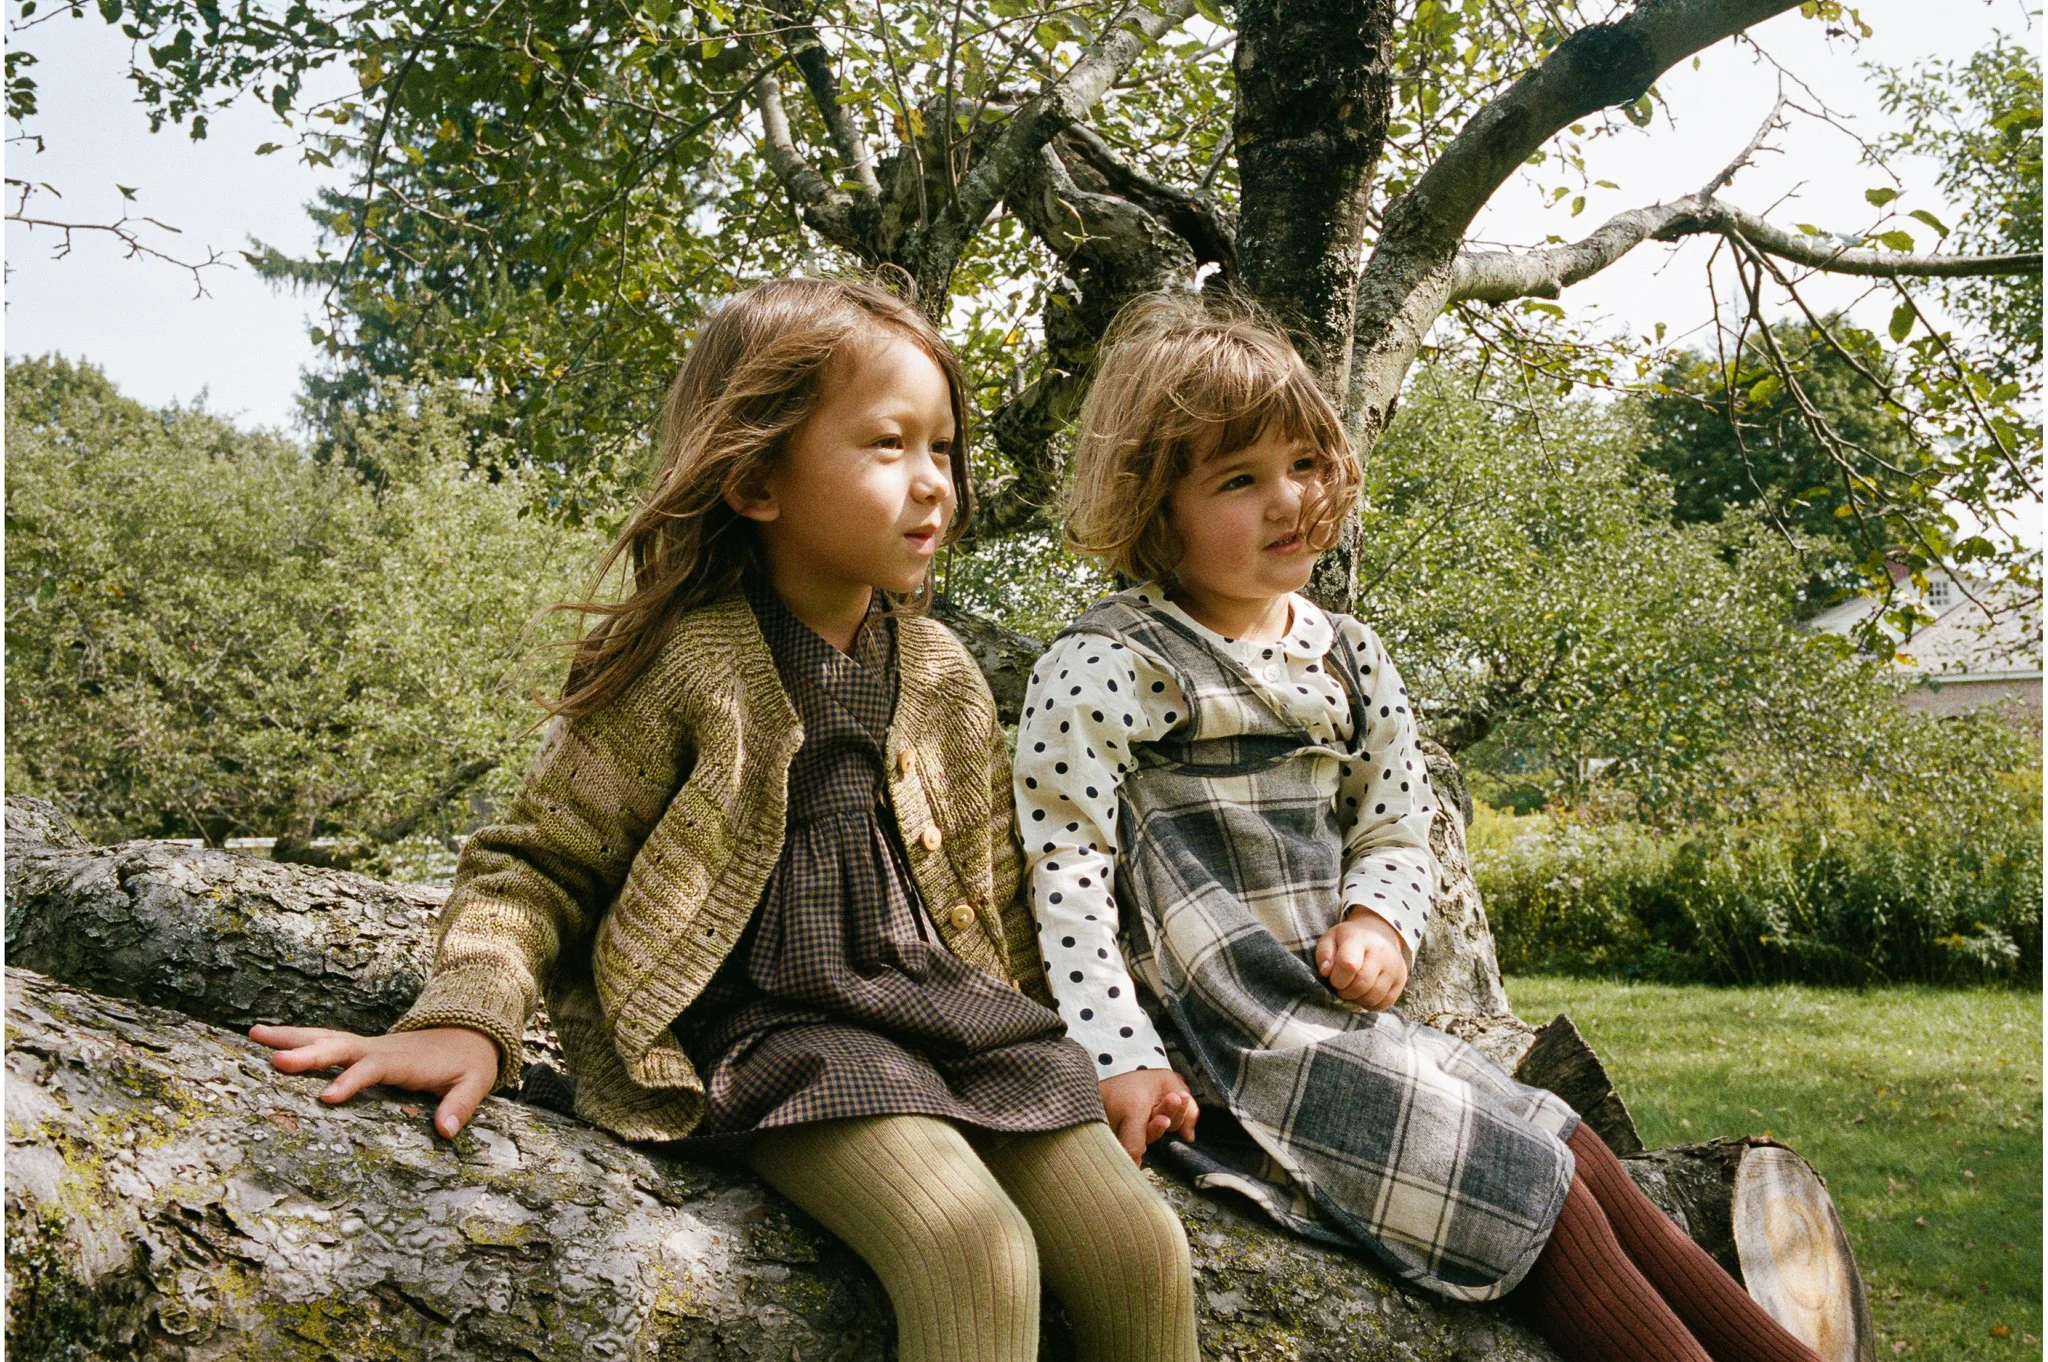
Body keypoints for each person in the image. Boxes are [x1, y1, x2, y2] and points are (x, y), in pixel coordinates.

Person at [252, 274, 1199, 1362]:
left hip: (958, 1027)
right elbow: (536, 866)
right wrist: (467, 1016)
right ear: (754, 479)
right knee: (971, 1249)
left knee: (1142, 1253)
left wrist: (1104, 1053)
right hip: (780, 1041)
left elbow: (1002, 901)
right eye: (888, 446)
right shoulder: (685, 663)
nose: (933, 485)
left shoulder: (941, 675)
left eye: (943, 449)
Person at [1013, 288, 1827, 1362]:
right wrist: (1117, 1058)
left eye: (1305, 464)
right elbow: (1067, 871)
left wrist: (1380, 921)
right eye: (1238, 480)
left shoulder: (1345, 655)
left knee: (1565, 1139)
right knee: (1524, 1192)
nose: (1289, 500)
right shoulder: (1112, 665)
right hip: (1237, 1042)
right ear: (1152, 509)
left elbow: (1393, 829)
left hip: (1343, 1018)